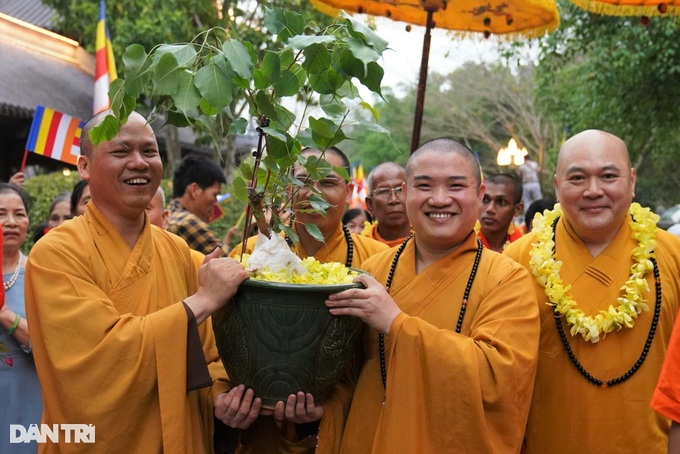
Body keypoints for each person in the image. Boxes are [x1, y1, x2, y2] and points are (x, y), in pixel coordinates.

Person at [24, 110, 250, 452]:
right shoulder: (55, 254)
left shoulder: (179, 252)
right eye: (120, 151)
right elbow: (99, 362)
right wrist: (200, 302)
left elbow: (214, 352)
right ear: (84, 166)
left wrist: (220, 392)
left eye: (149, 151)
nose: (139, 162)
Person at [325, 138, 540, 453]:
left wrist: (396, 324)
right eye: (424, 186)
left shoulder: (507, 278)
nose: (440, 200)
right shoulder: (373, 271)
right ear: (406, 193)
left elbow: (499, 379)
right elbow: (349, 376)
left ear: (479, 195)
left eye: (456, 186)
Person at [504, 129, 680, 453]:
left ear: (632, 181)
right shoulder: (515, 262)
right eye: (578, 178)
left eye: (608, 176)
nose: (594, 191)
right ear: (558, 186)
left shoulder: (674, 257)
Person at [229, 146, 389, 453]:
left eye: (327, 182)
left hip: (345, 422)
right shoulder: (251, 255)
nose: (313, 193)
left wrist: (331, 404)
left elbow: (379, 356)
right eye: (304, 181)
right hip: (261, 421)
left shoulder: (377, 259)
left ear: (348, 190)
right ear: (288, 190)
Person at [0, 183, 42, 454]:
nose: (11, 222)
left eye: (20, 214)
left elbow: (50, 346)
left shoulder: (41, 274)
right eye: (1, 214)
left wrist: (5, 315)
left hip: (26, 397)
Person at [167, 155, 237, 255]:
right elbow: (235, 261)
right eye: (215, 195)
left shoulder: (168, 217)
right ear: (195, 190)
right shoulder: (187, 223)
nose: (216, 203)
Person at [364, 162, 412, 247]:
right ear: (370, 204)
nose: (393, 200)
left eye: (400, 190)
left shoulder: (432, 244)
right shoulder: (360, 249)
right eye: (384, 191)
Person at [477, 173, 524, 252]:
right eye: (485, 200)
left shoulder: (524, 246)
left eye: (501, 202)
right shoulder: (461, 241)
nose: (490, 209)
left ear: (517, 209)